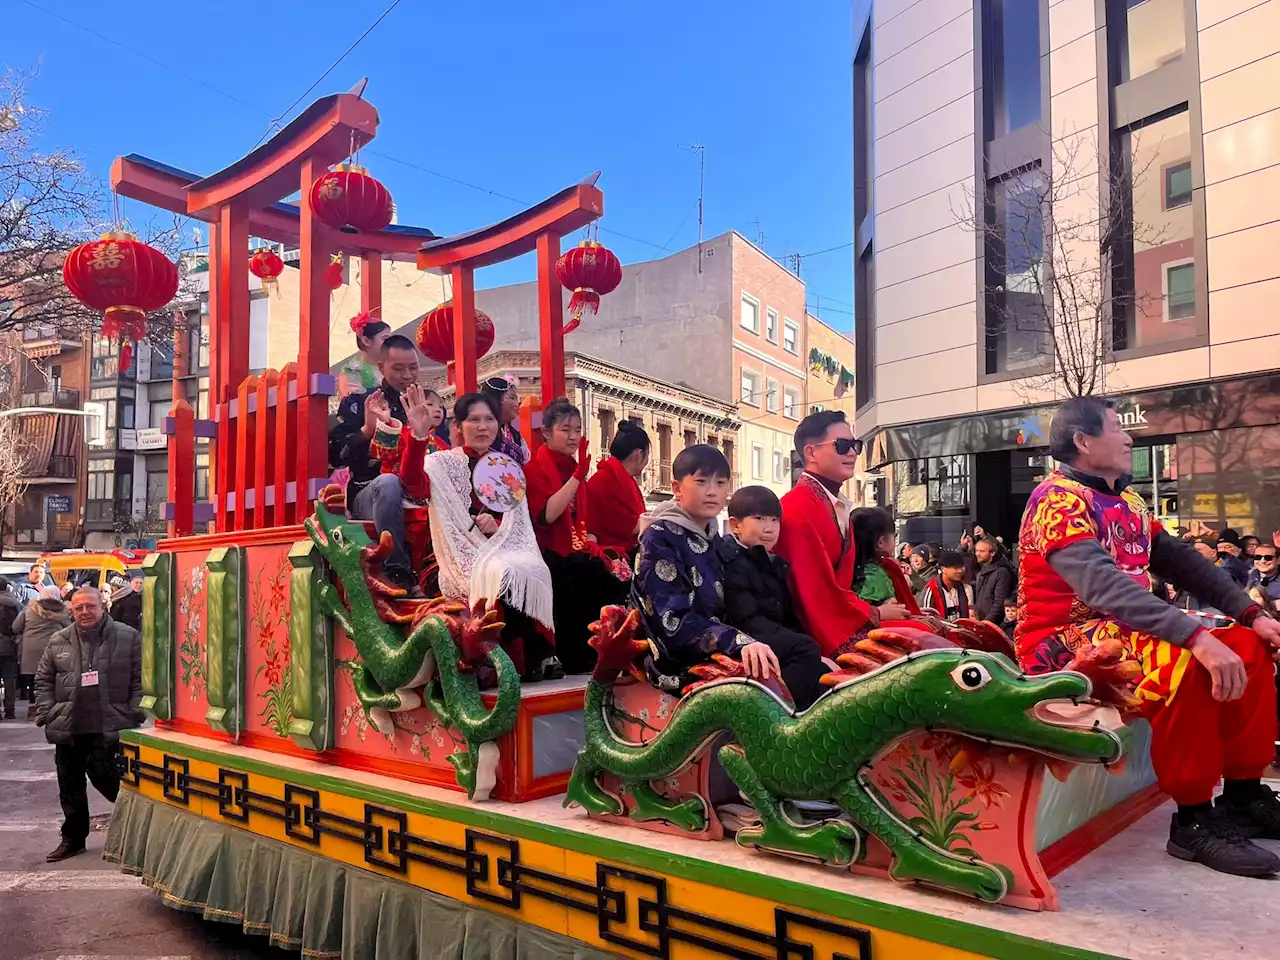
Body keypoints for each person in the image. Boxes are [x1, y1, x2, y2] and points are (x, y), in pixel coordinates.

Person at [1016, 396, 1280, 878]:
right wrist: (1193, 637)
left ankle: (1243, 795)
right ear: (1083, 440)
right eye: (1118, 428)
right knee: (1184, 662)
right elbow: (1101, 585)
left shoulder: (1129, 501)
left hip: (1125, 628)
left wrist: (1249, 614)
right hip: (1062, 639)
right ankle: (1193, 819)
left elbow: (1183, 563)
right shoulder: (1055, 500)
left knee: (1249, 648)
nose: (1129, 437)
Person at [399, 390, 561, 681]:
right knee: (503, 572)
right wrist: (418, 437)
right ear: (459, 427)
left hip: (497, 551)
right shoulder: (440, 463)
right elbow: (414, 485)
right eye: (474, 420)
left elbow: (519, 527)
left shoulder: (506, 469)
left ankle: (535, 654)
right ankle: (518, 657)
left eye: (489, 419)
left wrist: (496, 528)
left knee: (536, 568)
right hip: (447, 559)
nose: (483, 426)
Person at [634, 445, 781, 692]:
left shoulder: (716, 540)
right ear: (677, 488)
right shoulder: (659, 537)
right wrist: (739, 642)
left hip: (724, 649)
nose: (712, 492)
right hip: (678, 665)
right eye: (701, 481)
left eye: (721, 483)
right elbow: (672, 622)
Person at [774, 411, 910, 657]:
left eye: (855, 445)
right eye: (843, 445)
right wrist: (875, 614)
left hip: (840, 620)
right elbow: (816, 593)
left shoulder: (829, 503)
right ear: (811, 452)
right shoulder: (797, 508)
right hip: (816, 637)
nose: (852, 453)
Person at [36, 585, 142, 861]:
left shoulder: (128, 637)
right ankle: (73, 838)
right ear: (71, 609)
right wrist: (48, 712)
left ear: (103, 606)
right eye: (79, 607)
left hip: (110, 725)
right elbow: (44, 680)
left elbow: (141, 679)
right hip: (69, 726)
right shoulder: (58, 639)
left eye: (90, 606)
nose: (84, 612)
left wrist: (133, 712)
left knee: (111, 781)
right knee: (69, 786)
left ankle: (136, 834)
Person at [525, 398, 630, 674]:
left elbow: (583, 522)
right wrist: (576, 477)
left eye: (577, 429)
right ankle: (574, 656)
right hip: (545, 553)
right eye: (565, 430)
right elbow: (546, 515)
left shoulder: (575, 466)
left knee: (616, 574)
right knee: (585, 571)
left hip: (575, 549)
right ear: (546, 433)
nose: (573, 436)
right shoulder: (534, 470)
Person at [718, 486, 828, 710]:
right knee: (805, 650)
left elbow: (787, 615)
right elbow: (744, 615)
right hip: (747, 635)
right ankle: (783, 716)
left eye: (775, 520)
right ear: (735, 525)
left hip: (771, 633)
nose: (769, 528)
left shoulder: (773, 562)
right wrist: (802, 643)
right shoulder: (731, 560)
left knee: (823, 674)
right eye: (759, 519)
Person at [328, 334, 420, 590]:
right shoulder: (361, 403)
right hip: (372, 494)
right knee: (389, 483)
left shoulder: (429, 401)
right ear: (381, 368)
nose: (407, 375)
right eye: (398, 368)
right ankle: (397, 570)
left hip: (420, 491)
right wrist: (368, 429)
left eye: (413, 367)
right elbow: (335, 456)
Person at [585, 421, 650, 557]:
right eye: (647, 454)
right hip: (613, 558)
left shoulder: (621, 477)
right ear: (639, 454)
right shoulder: (607, 480)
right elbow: (629, 526)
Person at [15, 586, 71, 720]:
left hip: (31, 650)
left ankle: (33, 709)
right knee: (52, 679)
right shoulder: (62, 611)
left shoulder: (28, 609)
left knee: (34, 681)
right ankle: (50, 708)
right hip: (53, 649)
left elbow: (16, 627)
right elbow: (69, 628)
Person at [850, 507, 921, 612]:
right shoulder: (875, 574)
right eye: (894, 536)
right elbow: (867, 613)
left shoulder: (852, 567)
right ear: (881, 542)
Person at [336, 312, 391, 399]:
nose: (390, 343)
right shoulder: (352, 372)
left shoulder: (392, 368)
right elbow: (354, 403)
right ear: (366, 341)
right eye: (385, 338)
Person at [480, 376, 531, 466]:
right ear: (496, 399)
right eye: (512, 398)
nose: (517, 404)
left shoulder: (516, 436)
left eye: (516, 399)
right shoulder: (480, 431)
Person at [916, 550, 974, 620]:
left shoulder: (960, 587)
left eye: (961, 567)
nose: (960, 571)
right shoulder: (931, 589)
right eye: (955, 568)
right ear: (943, 569)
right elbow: (925, 619)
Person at [973, 535, 1016, 625]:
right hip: (981, 621)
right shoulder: (980, 572)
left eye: (981, 551)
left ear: (992, 553)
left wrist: (986, 622)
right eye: (976, 551)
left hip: (994, 625)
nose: (977, 554)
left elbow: (999, 603)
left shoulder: (1002, 572)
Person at [0, 578, 20, 720]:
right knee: (9, 680)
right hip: (10, 645)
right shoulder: (16, 604)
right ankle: (10, 710)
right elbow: (19, 625)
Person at [1247, 541, 1280, 615]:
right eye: (1258, 557)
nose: (1262, 561)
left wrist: (1270, 605)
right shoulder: (1248, 575)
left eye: (1268, 558)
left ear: (1278, 560)